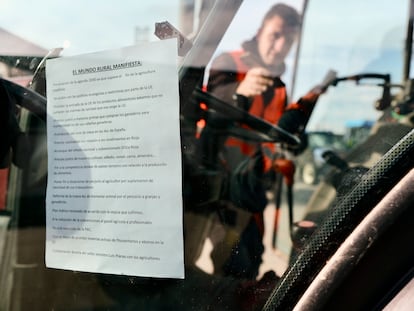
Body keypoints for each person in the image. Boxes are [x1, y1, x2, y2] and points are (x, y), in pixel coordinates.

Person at [202, 3, 324, 279]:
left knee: (250, 262)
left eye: (289, 40)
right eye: (275, 35)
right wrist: (239, 94)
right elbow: (209, 109)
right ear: (260, 32)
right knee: (225, 261)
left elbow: (275, 134)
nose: (280, 46)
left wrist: (292, 143)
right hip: (215, 183)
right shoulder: (229, 63)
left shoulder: (279, 87)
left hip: (251, 186)